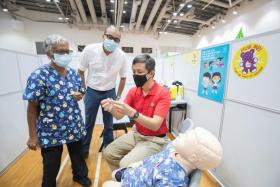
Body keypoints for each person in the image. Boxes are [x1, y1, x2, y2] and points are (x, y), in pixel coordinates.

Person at [23, 34, 91, 187]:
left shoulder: (73, 74)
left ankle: (80, 176)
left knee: (78, 157)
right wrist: (32, 136)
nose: (65, 55)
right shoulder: (39, 75)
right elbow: (32, 108)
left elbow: (80, 92)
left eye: (68, 51)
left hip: (73, 126)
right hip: (50, 131)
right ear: (49, 53)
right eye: (61, 51)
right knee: (51, 165)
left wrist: (79, 96)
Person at [101, 54, 171, 171]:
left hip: (155, 140)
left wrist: (134, 113)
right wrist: (111, 107)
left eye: (140, 72)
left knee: (125, 164)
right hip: (137, 135)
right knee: (108, 153)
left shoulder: (162, 93)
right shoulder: (134, 91)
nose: (136, 75)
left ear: (151, 73)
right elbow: (119, 116)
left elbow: (155, 125)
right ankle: (123, 178)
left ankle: (128, 176)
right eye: (134, 72)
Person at [102, 127, 223, 187]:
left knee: (107, 184)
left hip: (132, 183)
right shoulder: (174, 150)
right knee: (115, 174)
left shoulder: (171, 181)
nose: (180, 134)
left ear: (192, 157)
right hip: (135, 172)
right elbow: (155, 160)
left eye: (186, 138)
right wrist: (137, 165)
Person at [78, 25, 127, 158]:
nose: (112, 41)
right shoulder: (90, 50)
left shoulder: (121, 55)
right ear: (103, 36)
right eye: (110, 37)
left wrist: (117, 96)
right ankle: (84, 152)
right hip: (92, 91)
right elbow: (80, 71)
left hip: (109, 92)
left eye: (116, 39)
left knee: (109, 124)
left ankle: (109, 150)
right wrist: (83, 90)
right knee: (89, 123)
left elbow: (123, 78)